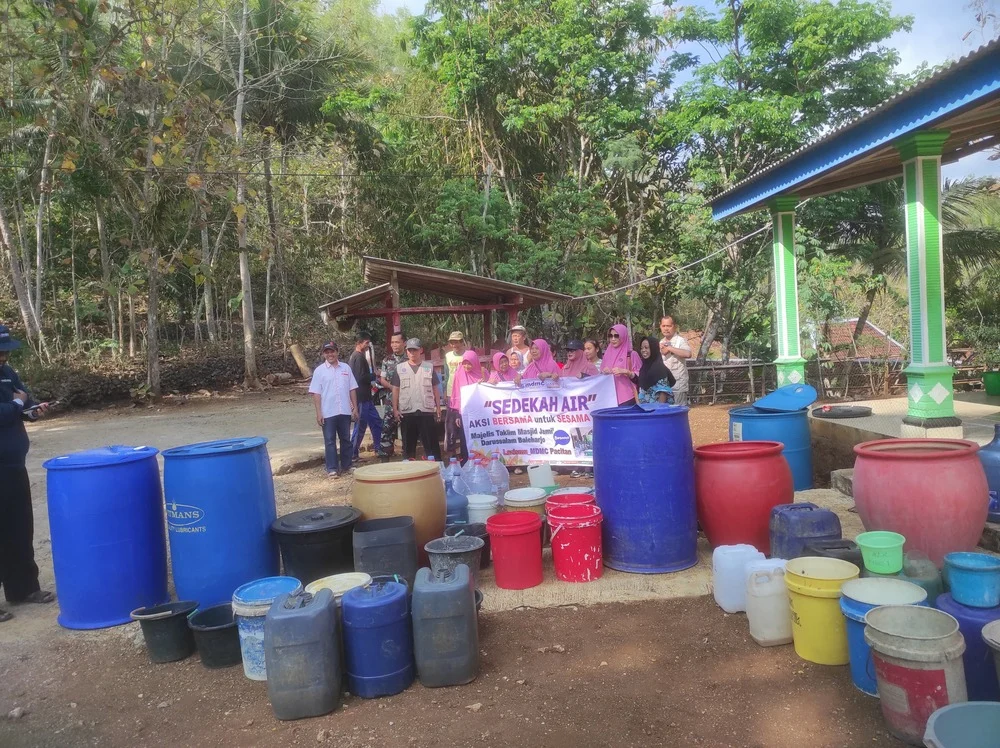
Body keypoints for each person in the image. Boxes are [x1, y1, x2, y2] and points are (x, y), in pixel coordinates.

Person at [0, 325, 55, 622]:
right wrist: (18, 404)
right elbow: (11, 405)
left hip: (12, 464)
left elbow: (24, 401)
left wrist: (32, 410)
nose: (4, 354)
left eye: (6, 348)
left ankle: (23, 588)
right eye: (1, 349)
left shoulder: (8, 372)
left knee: (19, 528)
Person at [310, 341, 359, 479]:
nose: (330, 354)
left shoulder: (346, 368)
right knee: (330, 441)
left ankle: (347, 465)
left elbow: (352, 389)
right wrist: (319, 412)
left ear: (337, 352)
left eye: (332, 351)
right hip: (328, 412)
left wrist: (355, 408)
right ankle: (332, 468)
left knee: (346, 439)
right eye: (327, 352)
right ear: (323, 354)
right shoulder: (319, 371)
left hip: (344, 410)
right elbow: (316, 393)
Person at [391, 338, 443, 461]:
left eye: (415, 350)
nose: (412, 353)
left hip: (426, 410)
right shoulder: (399, 368)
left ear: (421, 350)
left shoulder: (429, 367)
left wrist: (438, 407)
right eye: (409, 350)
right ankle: (409, 473)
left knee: (431, 444)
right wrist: (395, 409)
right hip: (407, 412)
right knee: (408, 446)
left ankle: (436, 469)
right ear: (406, 351)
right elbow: (395, 389)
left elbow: (435, 388)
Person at [348, 331, 382, 463]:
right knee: (360, 426)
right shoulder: (358, 357)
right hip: (361, 397)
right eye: (366, 342)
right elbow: (360, 378)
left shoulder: (359, 356)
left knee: (376, 422)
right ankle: (352, 453)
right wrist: (375, 375)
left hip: (366, 397)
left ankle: (379, 447)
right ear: (359, 343)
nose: (368, 345)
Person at [448, 350, 482, 463]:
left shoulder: (482, 373)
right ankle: (466, 462)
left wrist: (485, 383)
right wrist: (457, 415)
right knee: (464, 438)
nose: (467, 366)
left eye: (470, 363)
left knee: (481, 436)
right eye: (465, 363)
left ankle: (481, 461)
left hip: (481, 412)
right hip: (465, 413)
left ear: (475, 363)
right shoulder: (459, 373)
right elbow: (457, 394)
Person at [378, 331, 407, 461]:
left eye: (397, 342)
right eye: (392, 342)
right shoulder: (387, 360)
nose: (394, 345)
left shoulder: (409, 359)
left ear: (404, 343)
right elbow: (382, 379)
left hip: (407, 400)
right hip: (391, 400)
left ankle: (408, 456)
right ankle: (385, 457)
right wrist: (393, 388)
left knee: (407, 428)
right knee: (387, 428)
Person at [601, 324, 641, 406]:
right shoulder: (607, 354)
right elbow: (601, 375)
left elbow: (640, 376)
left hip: (628, 397)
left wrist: (626, 372)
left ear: (623, 336)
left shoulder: (631, 354)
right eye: (610, 336)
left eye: (616, 336)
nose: (613, 339)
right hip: (610, 398)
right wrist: (604, 372)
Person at [659, 316, 692, 406]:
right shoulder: (660, 342)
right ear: (660, 326)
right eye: (664, 326)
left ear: (674, 326)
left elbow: (688, 354)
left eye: (668, 326)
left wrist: (670, 348)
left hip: (678, 386)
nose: (666, 328)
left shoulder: (680, 341)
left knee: (678, 413)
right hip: (664, 386)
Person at [443, 331, 467, 458]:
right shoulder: (448, 356)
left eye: (457, 341)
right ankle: (451, 453)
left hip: (465, 392)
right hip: (451, 393)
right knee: (451, 423)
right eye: (452, 342)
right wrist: (445, 393)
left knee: (464, 422)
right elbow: (446, 376)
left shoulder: (468, 355)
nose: (455, 344)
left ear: (462, 342)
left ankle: (465, 452)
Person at [637, 336, 676, 404]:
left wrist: (658, 412)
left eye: (646, 348)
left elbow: (663, 392)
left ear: (653, 348)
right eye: (641, 348)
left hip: (657, 411)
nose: (643, 350)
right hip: (646, 410)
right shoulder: (644, 368)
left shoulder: (659, 368)